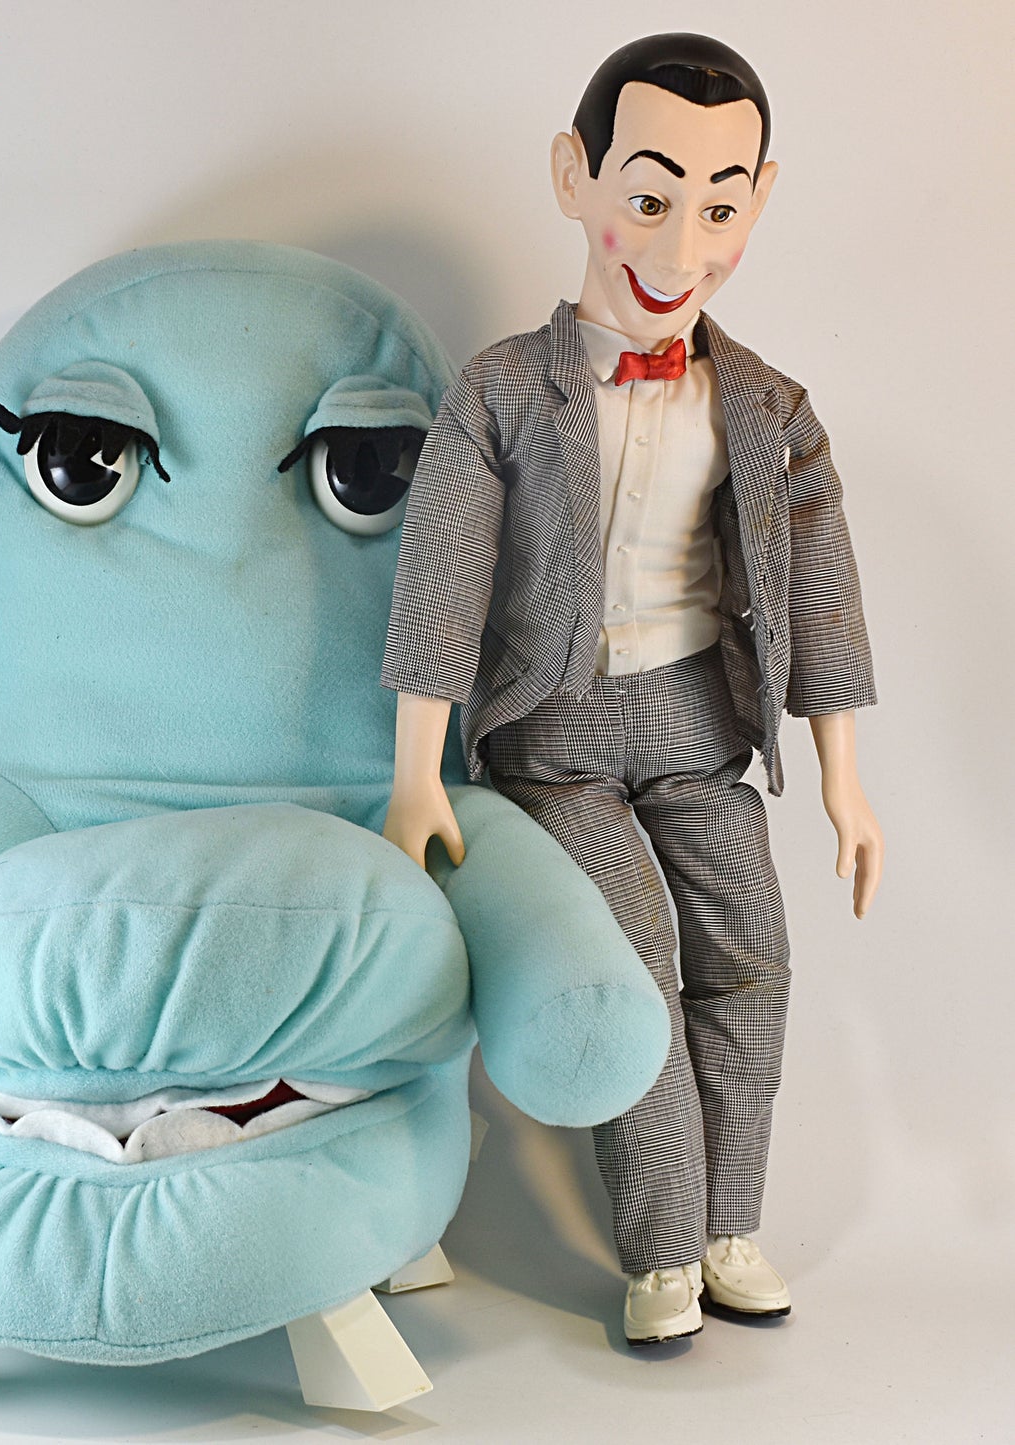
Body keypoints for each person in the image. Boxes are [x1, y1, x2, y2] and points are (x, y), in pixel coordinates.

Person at [381, 32, 882, 1347]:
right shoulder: (503, 390)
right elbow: (442, 575)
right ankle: (660, 1254)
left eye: (719, 210)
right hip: (552, 734)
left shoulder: (767, 405)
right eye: (649, 200)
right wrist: (416, 770)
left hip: (700, 724)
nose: (678, 248)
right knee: (634, 964)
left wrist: (842, 776)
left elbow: (821, 584)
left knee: (752, 957)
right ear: (575, 178)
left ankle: (729, 1226)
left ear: (760, 204)